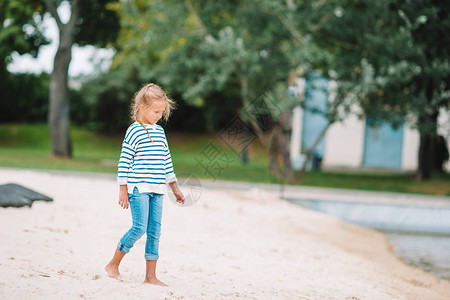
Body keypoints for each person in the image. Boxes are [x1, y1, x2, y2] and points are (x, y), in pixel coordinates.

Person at [105, 83, 185, 286]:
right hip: (138, 189)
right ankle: (113, 264)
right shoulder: (134, 131)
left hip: (158, 190)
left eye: (161, 111)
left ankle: (150, 277)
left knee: (154, 231)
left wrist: (175, 188)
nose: (159, 115)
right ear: (142, 108)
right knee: (139, 227)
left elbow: (167, 162)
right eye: (156, 111)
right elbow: (124, 162)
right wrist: (123, 189)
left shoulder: (159, 132)